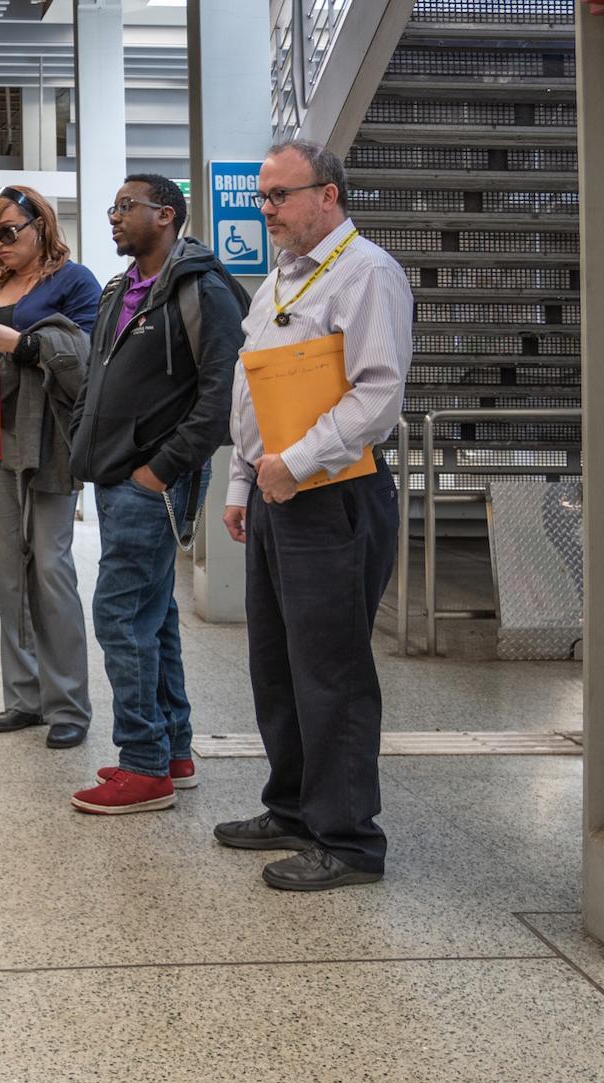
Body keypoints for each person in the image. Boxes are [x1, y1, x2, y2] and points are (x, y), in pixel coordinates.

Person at [215, 140, 411, 891]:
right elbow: (251, 391)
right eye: (263, 198)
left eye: (279, 196)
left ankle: (350, 840)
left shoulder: (367, 275)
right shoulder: (277, 284)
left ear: (327, 196)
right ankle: (294, 805)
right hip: (273, 494)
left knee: (332, 671)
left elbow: (376, 396)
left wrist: (291, 467)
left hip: (333, 495)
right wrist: (242, 483)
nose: (266, 211)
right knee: (276, 662)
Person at [67, 176, 248, 815]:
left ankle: (142, 766)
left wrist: (162, 469)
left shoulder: (204, 289)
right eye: (112, 207)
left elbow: (222, 394)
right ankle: (173, 749)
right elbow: (97, 376)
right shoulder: (120, 291)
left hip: (152, 482)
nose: (114, 217)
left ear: (165, 215)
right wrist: (82, 444)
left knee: (118, 615)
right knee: (154, 616)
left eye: (126, 207)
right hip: (114, 475)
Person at [0, 185, 101, 749]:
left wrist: (21, 344)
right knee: (6, 568)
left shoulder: (74, 281)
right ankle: (24, 697)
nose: (1, 243)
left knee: (50, 567)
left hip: (49, 438)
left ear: (41, 224)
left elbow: (84, 356)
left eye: (10, 232)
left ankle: (68, 707)